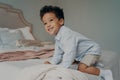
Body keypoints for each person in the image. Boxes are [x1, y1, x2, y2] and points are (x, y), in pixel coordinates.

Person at [39, 5, 113, 80]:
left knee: (81, 68)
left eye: (51, 20)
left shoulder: (66, 34)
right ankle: (92, 64)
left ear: (61, 21)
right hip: (82, 55)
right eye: (45, 23)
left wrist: (63, 67)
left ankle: (105, 73)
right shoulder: (58, 38)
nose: (48, 25)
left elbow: (70, 52)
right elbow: (58, 53)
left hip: (91, 50)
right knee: (73, 62)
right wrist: (52, 63)